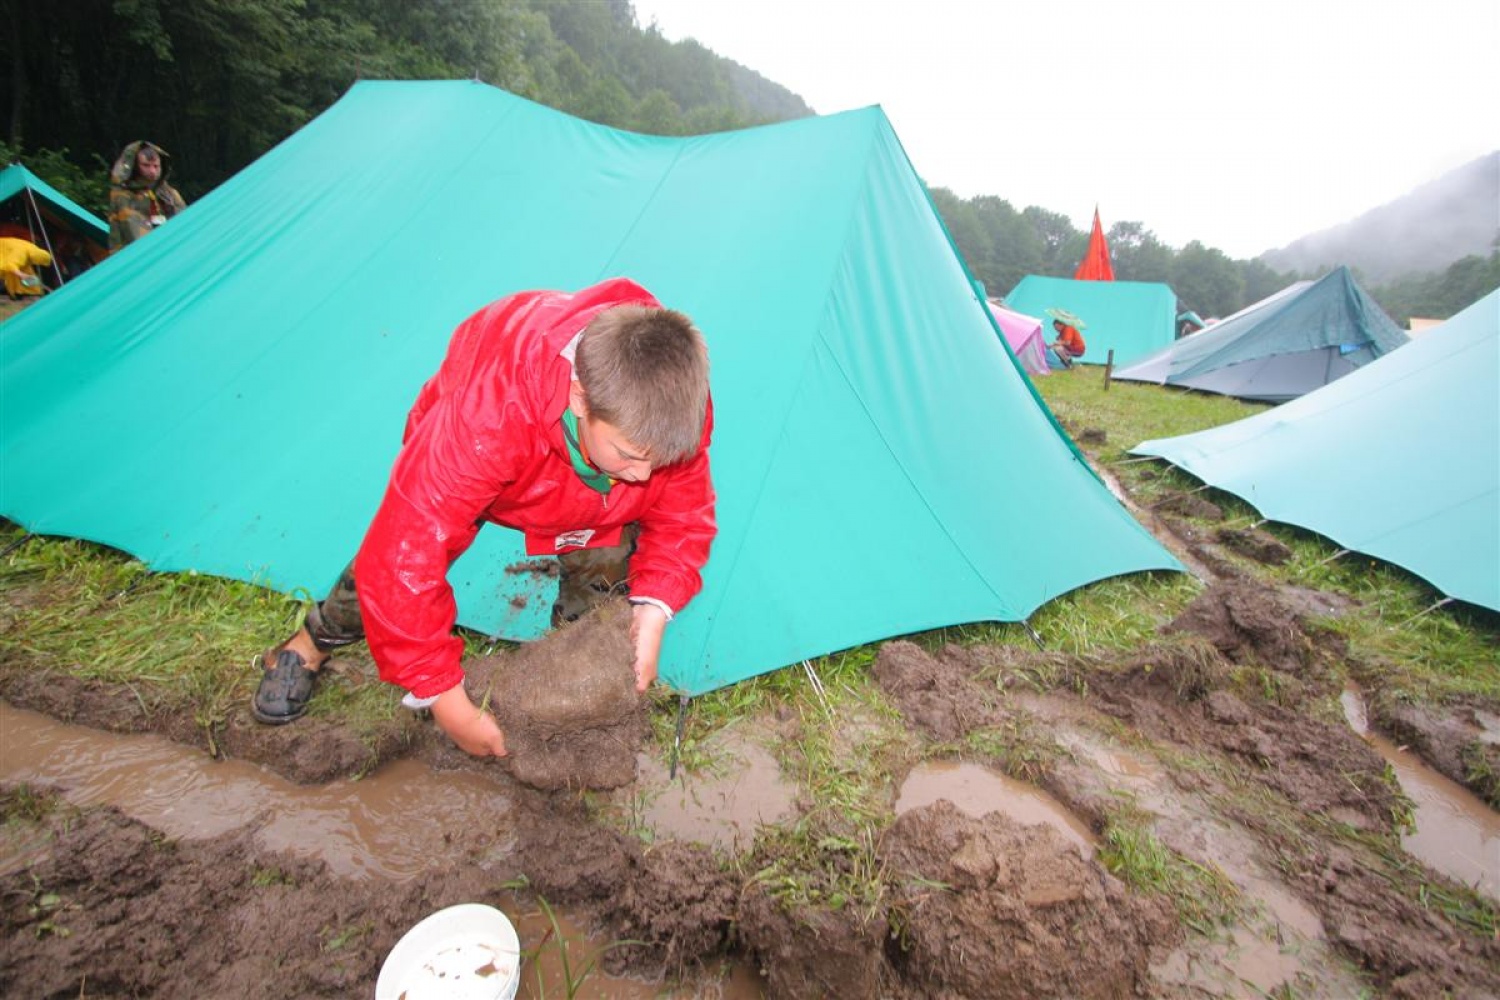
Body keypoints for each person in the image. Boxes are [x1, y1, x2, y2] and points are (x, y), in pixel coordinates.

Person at [251, 278, 716, 758]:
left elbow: (684, 514)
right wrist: (445, 697)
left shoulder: (666, 413)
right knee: (391, 574)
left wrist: (654, 610)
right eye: (630, 455)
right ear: (580, 398)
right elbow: (405, 555)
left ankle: (567, 703)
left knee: (600, 606)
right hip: (503, 465)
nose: (644, 476)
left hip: (597, 496)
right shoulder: (487, 418)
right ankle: (307, 646)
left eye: (658, 462)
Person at [107, 141, 187, 251]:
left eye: (156, 166)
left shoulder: (167, 191)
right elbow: (135, 234)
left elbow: (185, 222)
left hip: (170, 251)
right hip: (137, 257)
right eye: (146, 165)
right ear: (134, 165)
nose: (152, 171)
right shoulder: (123, 195)